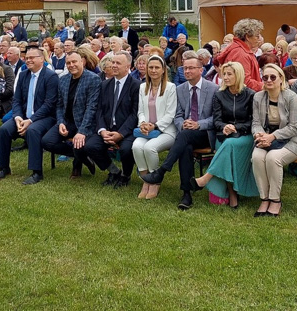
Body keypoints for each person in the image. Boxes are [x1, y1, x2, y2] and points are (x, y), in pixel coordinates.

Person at [140, 51, 219, 209]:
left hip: (205, 133)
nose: (187, 71)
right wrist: (182, 123)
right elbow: (177, 115)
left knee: (184, 137)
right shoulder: (180, 88)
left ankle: (162, 171)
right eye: (185, 68)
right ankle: (186, 194)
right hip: (185, 133)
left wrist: (198, 124)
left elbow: (216, 118)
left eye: (191, 68)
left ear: (201, 70)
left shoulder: (214, 89)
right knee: (185, 146)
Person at [189, 62, 257, 208]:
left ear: (238, 75)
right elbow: (217, 120)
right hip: (224, 135)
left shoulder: (250, 95)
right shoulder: (219, 95)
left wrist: (236, 127)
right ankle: (233, 196)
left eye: (229, 74)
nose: (225, 77)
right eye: (224, 74)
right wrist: (224, 127)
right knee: (227, 147)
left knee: (228, 146)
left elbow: (254, 121)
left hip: (245, 136)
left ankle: (206, 179)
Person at [0, 46, 60, 184]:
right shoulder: (24, 75)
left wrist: (30, 120)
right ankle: (3, 167)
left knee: (33, 130)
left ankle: (37, 172)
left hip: (45, 117)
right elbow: (17, 100)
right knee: (4, 130)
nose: (28, 60)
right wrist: (18, 117)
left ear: (41, 59)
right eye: (27, 58)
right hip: (23, 116)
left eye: (32, 58)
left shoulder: (51, 77)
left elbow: (49, 104)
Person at [250, 64, 297, 217]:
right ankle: (264, 198)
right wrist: (259, 136)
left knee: (273, 158)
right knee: (257, 157)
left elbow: (294, 127)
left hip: (292, 140)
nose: (268, 80)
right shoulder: (258, 97)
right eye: (265, 77)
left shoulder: (290, 97)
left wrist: (272, 137)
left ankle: (275, 200)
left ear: (281, 79)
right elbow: (255, 123)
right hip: (266, 138)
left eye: (273, 77)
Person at [81, 52, 140, 189]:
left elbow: (135, 114)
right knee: (90, 145)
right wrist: (102, 131)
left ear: (128, 67)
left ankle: (126, 175)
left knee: (126, 149)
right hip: (107, 129)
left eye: (118, 63)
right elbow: (99, 110)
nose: (113, 66)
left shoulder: (136, 86)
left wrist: (121, 133)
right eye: (113, 62)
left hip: (126, 130)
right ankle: (113, 171)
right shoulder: (105, 85)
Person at [41, 50, 101, 183]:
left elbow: (92, 108)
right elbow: (60, 105)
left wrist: (82, 131)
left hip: (85, 122)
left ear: (82, 62)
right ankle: (83, 156)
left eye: (74, 62)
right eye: (68, 63)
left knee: (78, 143)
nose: (71, 65)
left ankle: (77, 164)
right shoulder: (63, 80)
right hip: (67, 121)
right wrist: (61, 122)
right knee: (47, 141)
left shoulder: (93, 79)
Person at [132, 55, 179, 199]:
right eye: (150, 67)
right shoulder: (143, 87)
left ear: (163, 70)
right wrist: (143, 124)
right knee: (136, 146)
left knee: (149, 148)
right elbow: (140, 110)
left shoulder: (170, 88)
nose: (153, 70)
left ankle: (155, 180)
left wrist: (155, 126)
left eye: (157, 67)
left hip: (166, 130)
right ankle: (145, 180)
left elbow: (170, 114)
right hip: (147, 130)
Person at [212, 18, 264, 91]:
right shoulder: (240, 54)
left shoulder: (239, 50)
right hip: (243, 99)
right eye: (257, 36)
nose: (259, 39)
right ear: (247, 37)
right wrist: (264, 86)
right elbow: (244, 82)